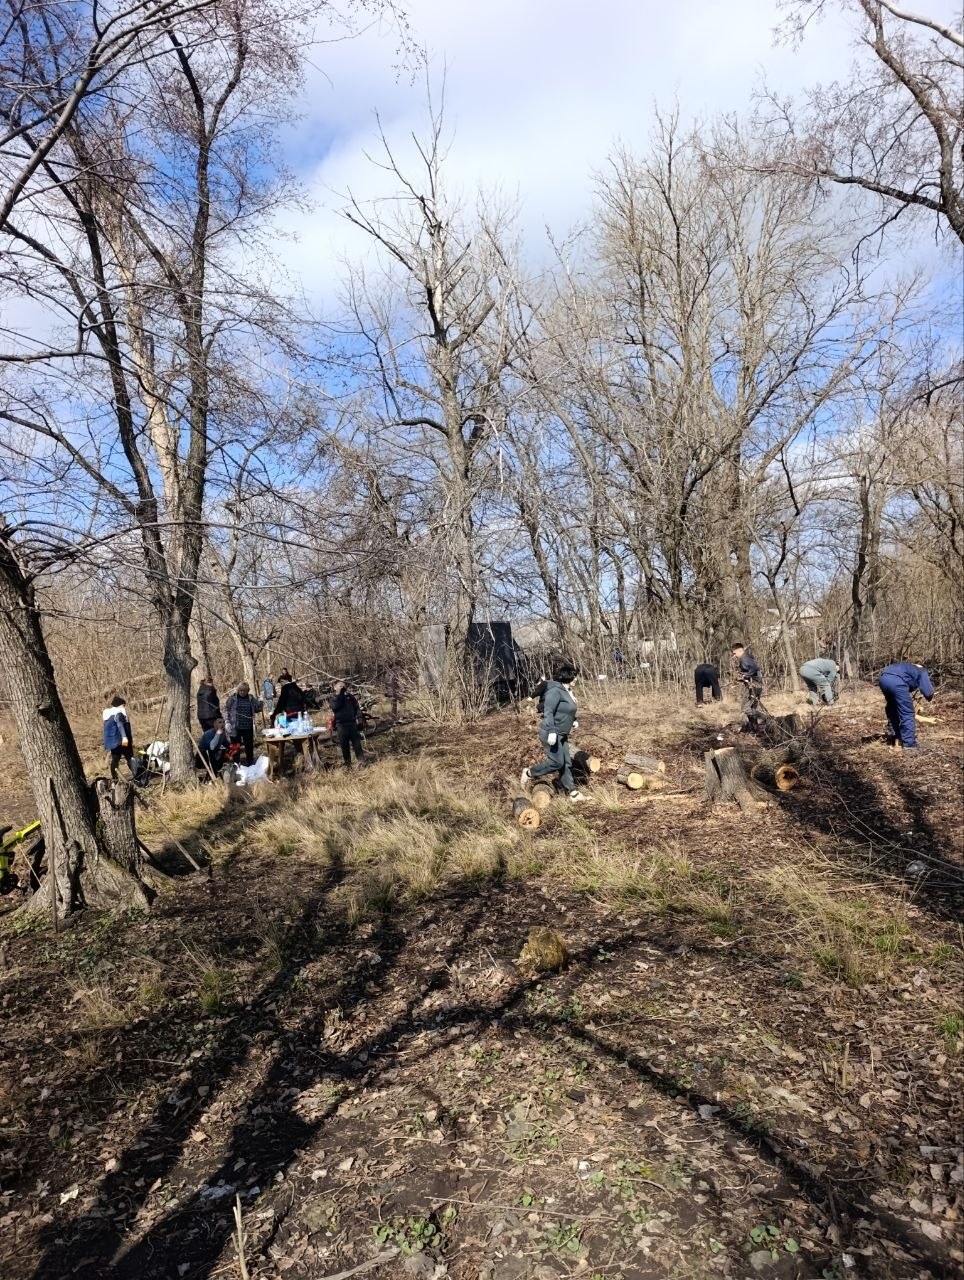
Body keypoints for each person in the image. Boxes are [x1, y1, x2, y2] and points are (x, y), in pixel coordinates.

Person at [520, 662, 585, 802]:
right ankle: (529, 772)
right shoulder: (555, 691)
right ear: (567, 677)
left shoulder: (567, 691)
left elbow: (568, 709)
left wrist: (574, 719)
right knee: (557, 763)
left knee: (566, 762)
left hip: (562, 734)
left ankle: (572, 793)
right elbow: (548, 711)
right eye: (574, 677)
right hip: (551, 733)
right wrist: (552, 731)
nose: (576, 679)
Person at [878, 661, 934, 750]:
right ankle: (909, 744)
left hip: (883, 679)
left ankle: (894, 736)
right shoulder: (922, 670)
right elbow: (928, 691)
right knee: (907, 712)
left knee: (892, 708)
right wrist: (930, 696)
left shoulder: (907, 666)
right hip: (897, 682)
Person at [329, 680, 367, 768]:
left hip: (352, 723)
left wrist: (360, 720)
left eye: (343, 686)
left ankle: (362, 763)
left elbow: (357, 708)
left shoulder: (350, 697)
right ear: (335, 688)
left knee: (357, 745)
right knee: (344, 746)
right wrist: (340, 695)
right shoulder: (333, 697)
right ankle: (348, 765)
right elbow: (335, 707)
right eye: (340, 686)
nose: (342, 688)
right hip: (341, 725)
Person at [224, 682, 262, 765]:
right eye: (240, 690)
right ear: (238, 690)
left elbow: (257, 709)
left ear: (248, 691)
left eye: (244, 691)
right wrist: (227, 722)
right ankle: (236, 763)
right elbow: (226, 709)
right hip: (235, 727)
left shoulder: (251, 698)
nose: (242, 692)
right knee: (235, 746)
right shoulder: (232, 698)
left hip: (247, 726)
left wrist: (261, 702)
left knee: (249, 746)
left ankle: (250, 762)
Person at [102, 694, 137, 781]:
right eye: (123, 705)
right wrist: (125, 738)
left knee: (115, 760)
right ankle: (137, 777)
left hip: (113, 742)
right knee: (130, 758)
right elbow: (120, 725)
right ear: (119, 705)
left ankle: (114, 779)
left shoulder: (108, 715)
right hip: (122, 740)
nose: (124, 707)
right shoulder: (119, 714)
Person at [730, 643, 763, 732]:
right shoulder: (748, 657)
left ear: (740, 650)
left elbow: (754, 668)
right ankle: (754, 728)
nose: (734, 656)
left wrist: (744, 676)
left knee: (745, 708)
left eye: (734, 653)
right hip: (756, 686)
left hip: (753, 687)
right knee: (752, 708)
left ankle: (765, 717)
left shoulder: (744, 658)